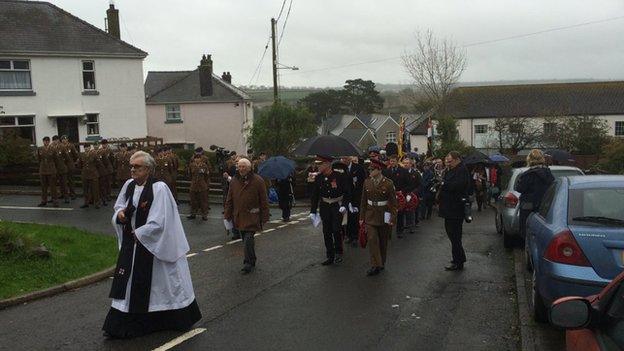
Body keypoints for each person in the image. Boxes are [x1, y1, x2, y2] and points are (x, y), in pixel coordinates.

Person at [103, 151, 202, 338]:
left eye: (137, 166)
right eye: (131, 166)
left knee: (161, 284)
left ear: (148, 169)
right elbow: (118, 207)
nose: (132, 169)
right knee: (132, 284)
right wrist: (120, 215)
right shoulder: (129, 185)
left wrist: (140, 233)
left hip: (154, 248)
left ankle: (168, 319)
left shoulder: (159, 188)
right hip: (133, 246)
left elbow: (160, 220)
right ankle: (127, 322)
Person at [224, 157, 269, 274]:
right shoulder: (234, 181)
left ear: (249, 168)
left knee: (248, 238)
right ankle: (252, 258)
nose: (241, 169)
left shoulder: (258, 180)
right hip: (239, 215)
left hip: (253, 215)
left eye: (243, 167)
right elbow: (229, 199)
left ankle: (247, 263)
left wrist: (265, 216)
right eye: (239, 166)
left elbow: (264, 200)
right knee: (245, 239)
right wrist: (227, 215)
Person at [310, 155, 352, 265]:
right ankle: (330, 255)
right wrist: (313, 211)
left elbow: (347, 192)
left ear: (328, 165)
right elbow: (315, 195)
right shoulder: (319, 178)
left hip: (336, 206)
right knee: (326, 231)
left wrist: (344, 205)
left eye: (320, 164)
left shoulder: (339, 176)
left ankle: (338, 252)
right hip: (325, 206)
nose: (318, 166)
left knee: (336, 229)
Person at [360, 158, 397, 276]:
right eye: (369, 169)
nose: (369, 171)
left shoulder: (388, 183)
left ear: (379, 170)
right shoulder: (367, 182)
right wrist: (361, 217)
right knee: (372, 239)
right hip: (370, 215)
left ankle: (382, 262)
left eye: (372, 169)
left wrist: (393, 218)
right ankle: (375, 265)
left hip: (384, 215)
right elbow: (363, 201)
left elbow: (393, 203)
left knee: (383, 241)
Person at [438, 151, 471, 271]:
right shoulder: (451, 170)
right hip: (449, 207)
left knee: (455, 236)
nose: (448, 162)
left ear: (457, 160)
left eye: (450, 160)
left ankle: (458, 261)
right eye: (447, 160)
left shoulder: (462, 170)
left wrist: (443, 183)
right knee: (452, 235)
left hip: (455, 208)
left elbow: (458, 186)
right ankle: (457, 258)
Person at [516, 149, 554, 240]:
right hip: (544, 208)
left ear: (529, 159)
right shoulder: (548, 173)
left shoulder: (527, 175)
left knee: (527, 233)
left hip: (528, 208)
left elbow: (519, 189)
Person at [383, 155, 409, 238]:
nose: (392, 163)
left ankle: (399, 230)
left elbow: (408, 184)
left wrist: (402, 191)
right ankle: (388, 231)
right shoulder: (386, 171)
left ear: (397, 161)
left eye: (394, 161)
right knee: (388, 213)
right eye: (391, 161)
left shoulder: (404, 171)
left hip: (399, 195)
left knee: (400, 213)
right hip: (389, 195)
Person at [344, 156, 366, 246]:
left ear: (349, 159)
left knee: (355, 217)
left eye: (345, 158)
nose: (343, 160)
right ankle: (349, 235)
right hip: (346, 197)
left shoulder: (358, 168)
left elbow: (363, 182)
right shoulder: (341, 168)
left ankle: (356, 236)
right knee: (348, 217)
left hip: (356, 197)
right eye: (342, 159)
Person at [187, 148, 211, 220]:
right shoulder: (191, 165)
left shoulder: (204, 166)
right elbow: (190, 175)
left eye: (198, 158)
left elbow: (207, 176)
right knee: (193, 201)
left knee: (203, 201)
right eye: (196, 158)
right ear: (194, 159)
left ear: (201, 159)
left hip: (202, 185)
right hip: (194, 185)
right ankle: (193, 214)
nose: (197, 160)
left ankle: (204, 215)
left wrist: (206, 184)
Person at [77, 143, 101, 209]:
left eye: (87, 147)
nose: (86, 148)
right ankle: (86, 202)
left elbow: (98, 164)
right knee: (85, 190)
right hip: (85, 174)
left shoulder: (94, 154)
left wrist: (93, 169)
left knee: (95, 190)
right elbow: (80, 164)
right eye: (85, 147)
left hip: (93, 174)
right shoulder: (82, 155)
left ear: (90, 148)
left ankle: (97, 203)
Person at [37, 136, 58, 207]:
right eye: (45, 141)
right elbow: (39, 159)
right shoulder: (40, 149)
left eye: (47, 141)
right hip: (43, 170)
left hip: (51, 170)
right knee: (43, 187)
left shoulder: (53, 149)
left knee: (53, 187)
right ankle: (44, 201)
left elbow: (56, 160)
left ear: (49, 142)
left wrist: (54, 170)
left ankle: (55, 200)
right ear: (43, 142)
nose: (46, 142)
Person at [51, 135, 70, 203]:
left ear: (58, 140)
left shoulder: (62, 147)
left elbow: (67, 157)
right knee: (53, 184)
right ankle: (54, 197)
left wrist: (62, 162)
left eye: (56, 140)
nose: (55, 141)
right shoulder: (51, 147)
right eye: (54, 140)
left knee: (64, 184)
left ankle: (66, 197)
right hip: (54, 169)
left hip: (62, 168)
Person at [61, 135, 78, 200]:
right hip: (62, 166)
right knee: (63, 181)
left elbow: (75, 155)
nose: (64, 140)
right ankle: (64, 194)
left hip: (70, 165)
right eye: (63, 139)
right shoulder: (60, 147)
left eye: (65, 139)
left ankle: (73, 194)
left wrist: (73, 162)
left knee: (71, 180)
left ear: (67, 140)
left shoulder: (71, 146)